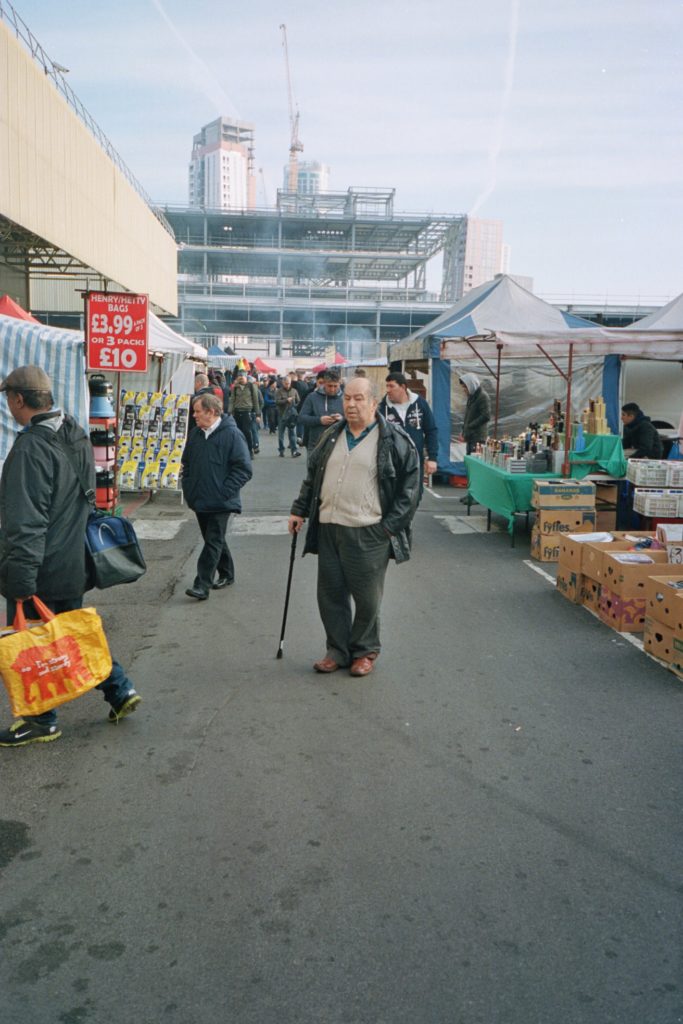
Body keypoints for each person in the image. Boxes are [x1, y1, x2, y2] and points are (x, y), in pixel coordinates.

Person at [0, 366, 141, 747]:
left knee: (38, 645)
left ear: (17, 399)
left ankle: (41, 719)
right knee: (71, 635)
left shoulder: (30, 448)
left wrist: (19, 580)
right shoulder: (73, 431)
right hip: (73, 558)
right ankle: (119, 689)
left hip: (42, 565)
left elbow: (25, 522)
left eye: (7, 398)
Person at [288, 376, 419, 677]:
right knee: (330, 594)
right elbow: (313, 477)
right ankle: (337, 649)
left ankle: (364, 650)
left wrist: (388, 529)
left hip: (369, 531)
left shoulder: (394, 440)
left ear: (374, 403)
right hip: (330, 527)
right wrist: (299, 510)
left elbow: (410, 492)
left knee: (367, 597)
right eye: (348, 398)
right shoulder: (331, 435)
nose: (351, 404)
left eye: (359, 398)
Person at [181, 394, 252, 600]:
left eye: (197, 411)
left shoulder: (232, 434)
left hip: (221, 501)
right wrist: (189, 488)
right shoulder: (195, 434)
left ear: (211, 412)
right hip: (200, 499)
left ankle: (202, 584)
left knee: (212, 540)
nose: (194, 415)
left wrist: (224, 492)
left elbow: (244, 469)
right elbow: (187, 464)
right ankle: (227, 573)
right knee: (213, 539)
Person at [378, 372, 438, 498]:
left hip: (415, 459)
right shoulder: (382, 408)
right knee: (393, 496)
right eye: (386, 386)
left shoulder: (420, 404)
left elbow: (431, 430)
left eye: (391, 386)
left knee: (414, 495)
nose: (387, 390)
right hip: (392, 461)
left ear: (403, 387)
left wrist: (432, 458)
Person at [297, 369, 344, 460]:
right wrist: (319, 420)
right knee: (314, 473)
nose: (332, 389)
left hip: (338, 445)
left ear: (339, 384)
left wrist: (342, 418)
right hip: (316, 445)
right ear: (324, 383)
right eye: (329, 386)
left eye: (335, 386)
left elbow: (352, 420)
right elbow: (301, 418)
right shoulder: (312, 397)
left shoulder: (345, 398)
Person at [228, 370, 262, 455]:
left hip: (247, 412)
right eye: (239, 377)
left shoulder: (251, 386)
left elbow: (255, 400)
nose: (240, 379)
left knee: (247, 432)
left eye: (242, 377)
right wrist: (229, 412)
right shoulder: (235, 387)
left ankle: (250, 450)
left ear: (245, 377)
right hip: (237, 412)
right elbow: (232, 400)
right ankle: (240, 451)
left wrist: (258, 414)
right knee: (238, 433)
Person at [458, 373, 491, 453]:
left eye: (465, 387)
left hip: (478, 438)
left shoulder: (483, 397)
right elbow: (468, 415)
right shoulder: (471, 396)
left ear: (471, 385)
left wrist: (470, 426)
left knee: (474, 462)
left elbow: (486, 416)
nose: (464, 389)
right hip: (470, 436)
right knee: (469, 461)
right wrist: (464, 430)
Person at [275, 376, 302, 457]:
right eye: (286, 383)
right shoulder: (279, 391)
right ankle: (281, 450)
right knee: (281, 434)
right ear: (283, 383)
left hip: (291, 416)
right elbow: (276, 402)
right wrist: (286, 400)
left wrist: (295, 407)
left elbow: (299, 402)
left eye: (289, 383)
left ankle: (294, 451)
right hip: (282, 415)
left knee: (292, 434)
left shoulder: (294, 391)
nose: (287, 385)